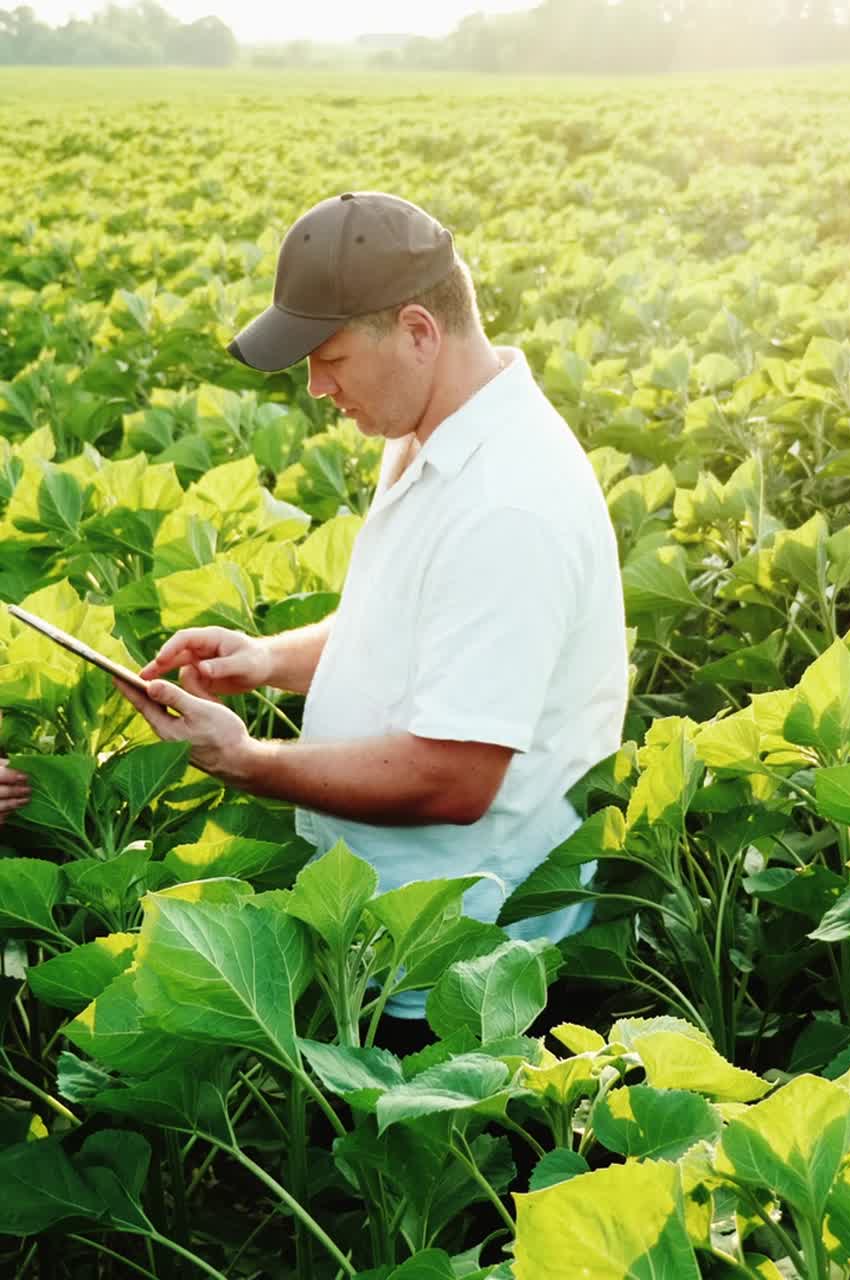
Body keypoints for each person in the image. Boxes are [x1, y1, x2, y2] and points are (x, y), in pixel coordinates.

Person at [113, 191, 630, 1032]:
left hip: (463, 974)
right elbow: (405, 625)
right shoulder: (429, 434)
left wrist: (245, 760)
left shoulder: (509, 503)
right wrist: (269, 660)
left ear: (420, 332)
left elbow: (455, 777)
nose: (317, 387)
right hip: (388, 933)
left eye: (332, 357)